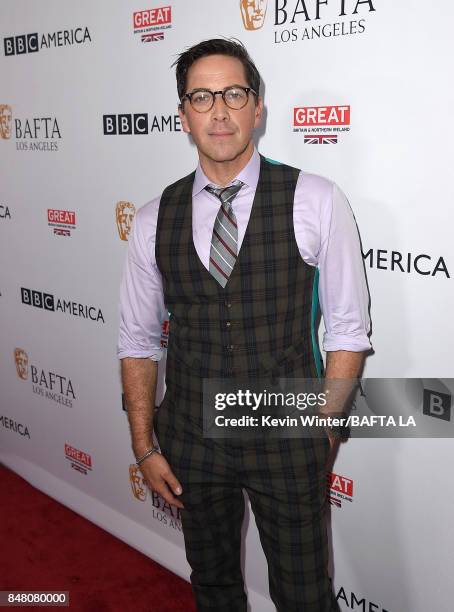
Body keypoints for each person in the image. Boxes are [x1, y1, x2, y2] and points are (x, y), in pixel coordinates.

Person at [118, 38, 371, 612]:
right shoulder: (154, 218)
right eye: (201, 97)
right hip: (190, 438)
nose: (220, 111)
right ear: (183, 115)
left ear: (258, 108)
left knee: (306, 596)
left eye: (234, 93)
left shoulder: (316, 199)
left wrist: (323, 432)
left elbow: (348, 331)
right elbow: (137, 340)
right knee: (213, 588)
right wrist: (144, 444)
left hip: (288, 433)